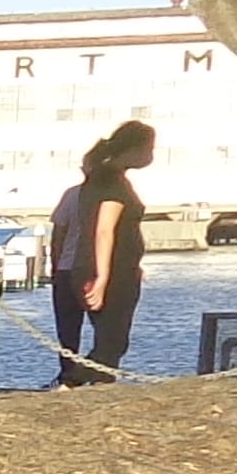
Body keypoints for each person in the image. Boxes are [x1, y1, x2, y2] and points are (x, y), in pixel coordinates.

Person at [46, 121, 157, 382]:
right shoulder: (112, 182)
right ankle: (71, 382)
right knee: (112, 341)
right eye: (149, 148)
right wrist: (102, 276)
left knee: (110, 339)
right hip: (109, 271)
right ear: (134, 148)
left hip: (113, 267)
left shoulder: (102, 179)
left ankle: (82, 382)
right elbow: (103, 230)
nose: (151, 156)